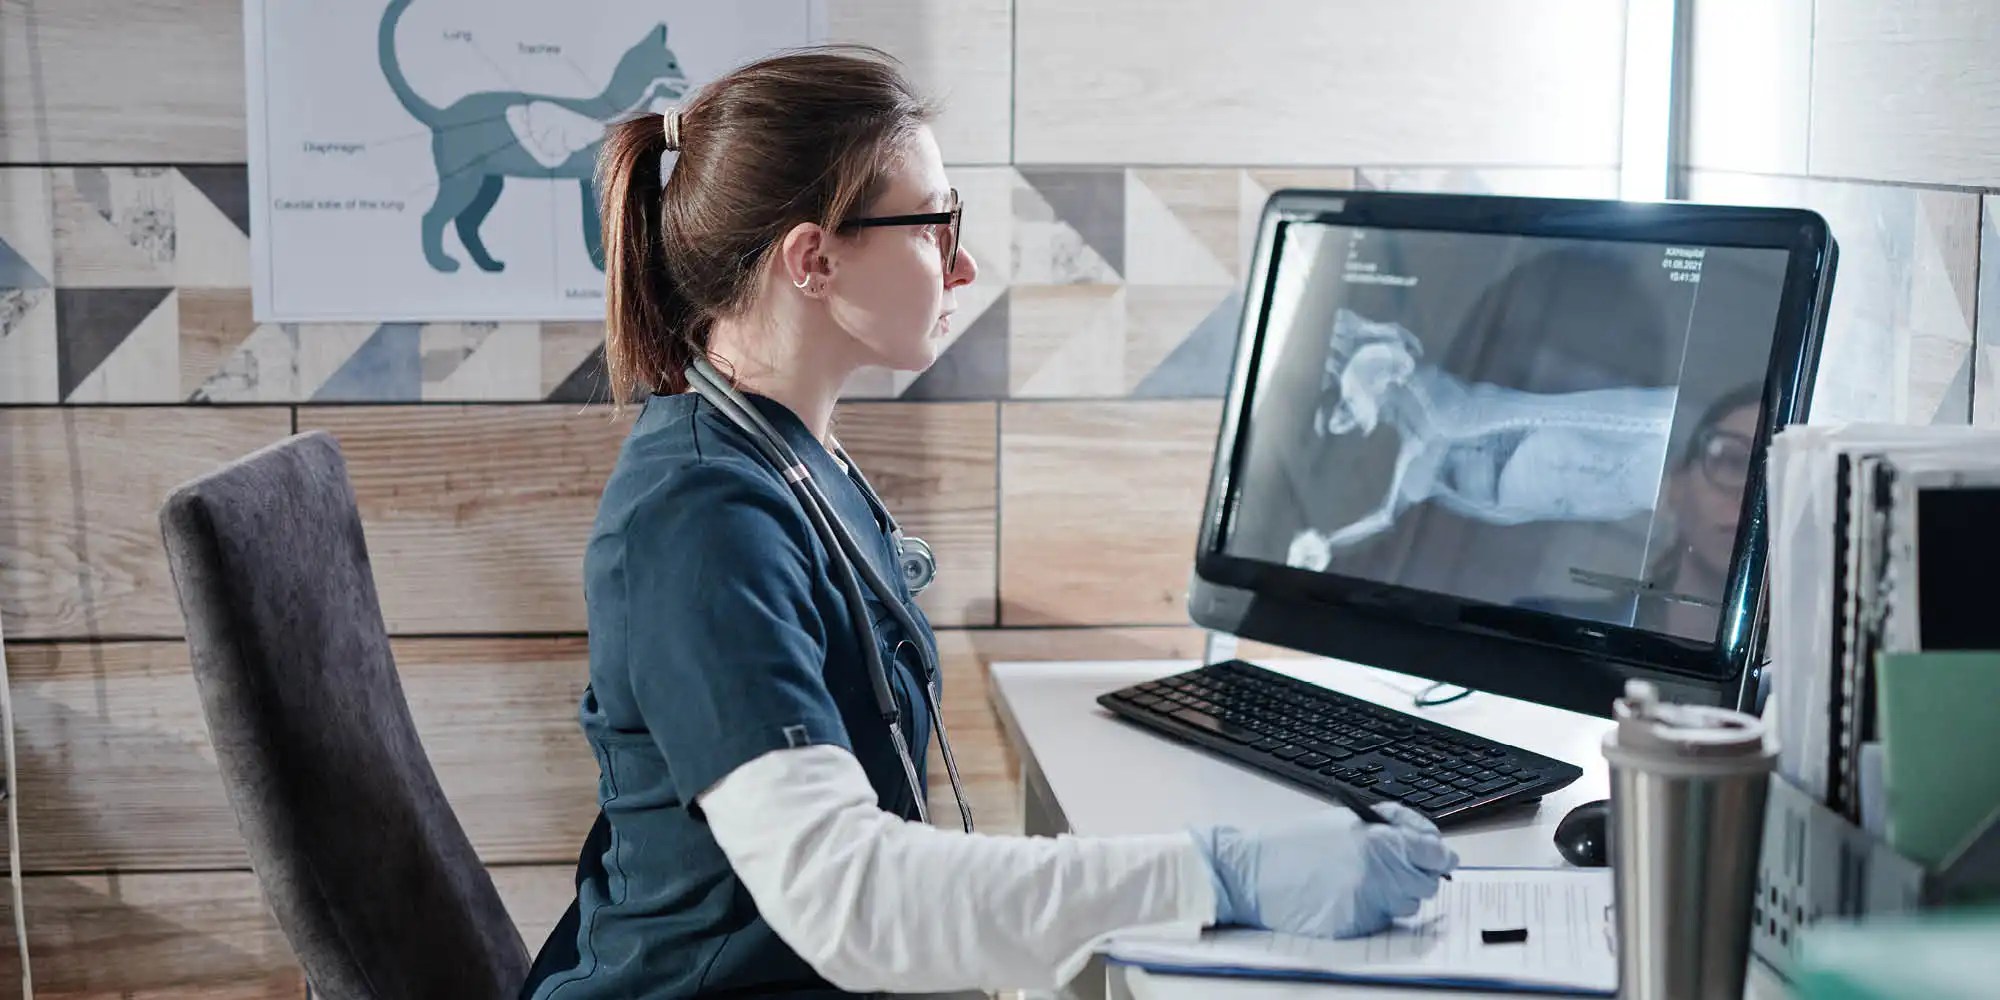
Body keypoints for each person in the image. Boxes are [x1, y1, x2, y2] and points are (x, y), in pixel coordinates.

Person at [519, 48, 1457, 1000]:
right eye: (935, 226)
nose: (963, 264)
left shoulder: (787, 461)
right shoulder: (699, 523)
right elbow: (849, 900)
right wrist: (1220, 874)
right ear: (814, 260)